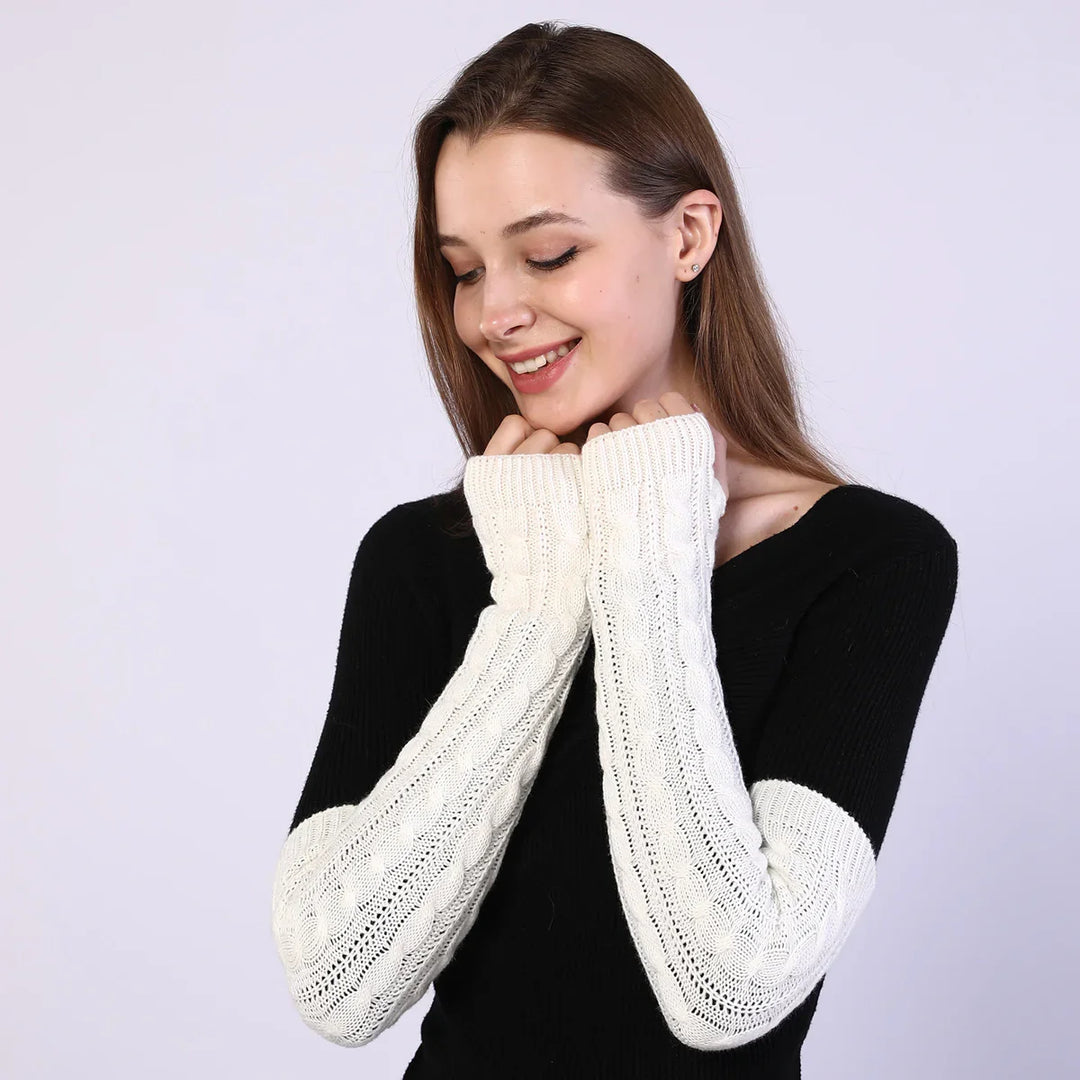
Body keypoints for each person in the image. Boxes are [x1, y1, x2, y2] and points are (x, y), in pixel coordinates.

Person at [270, 21, 959, 1079]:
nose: (495, 312)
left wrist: (646, 554)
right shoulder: (425, 557)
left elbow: (731, 983)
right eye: (463, 270)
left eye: (549, 254)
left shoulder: (871, 561)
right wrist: (540, 607)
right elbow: (336, 979)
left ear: (688, 236)